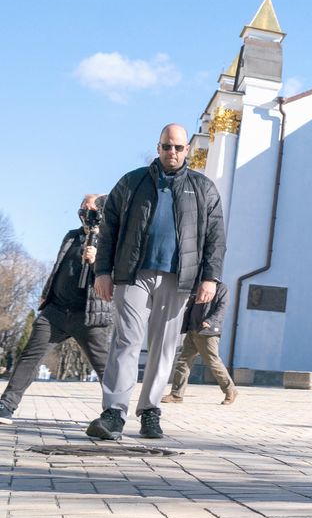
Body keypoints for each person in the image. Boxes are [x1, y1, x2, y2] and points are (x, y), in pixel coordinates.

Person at [86, 123, 226, 441]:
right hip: (133, 274)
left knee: (164, 347)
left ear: (187, 149)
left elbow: (215, 239)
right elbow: (109, 229)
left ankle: (150, 412)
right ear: (158, 147)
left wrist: (211, 277)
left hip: (179, 278)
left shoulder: (203, 188)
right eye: (166, 146)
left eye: (178, 147)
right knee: (126, 341)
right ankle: (114, 414)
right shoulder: (132, 183)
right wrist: (102, 272)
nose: (172, 152)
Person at [0, 195, 113, 424]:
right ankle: (6, 405)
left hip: (90, 315)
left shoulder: (112, 241)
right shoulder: (72, 236)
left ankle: (114, 413)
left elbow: (116, 277)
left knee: (106, 368)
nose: (85, 212)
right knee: (30, 356)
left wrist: (98, 259)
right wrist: (46, 292)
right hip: (57, 311)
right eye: (82, 208)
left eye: (91, 209)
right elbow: (58, 266)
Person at [162, 281, 237, 405]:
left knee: (213, 362)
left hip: (208, 331)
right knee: (183, 362)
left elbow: (222, 307)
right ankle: (176, 394)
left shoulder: (221, 288)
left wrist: (211, 321)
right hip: (193, 328)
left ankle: (230, 390)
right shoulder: (197, 284)